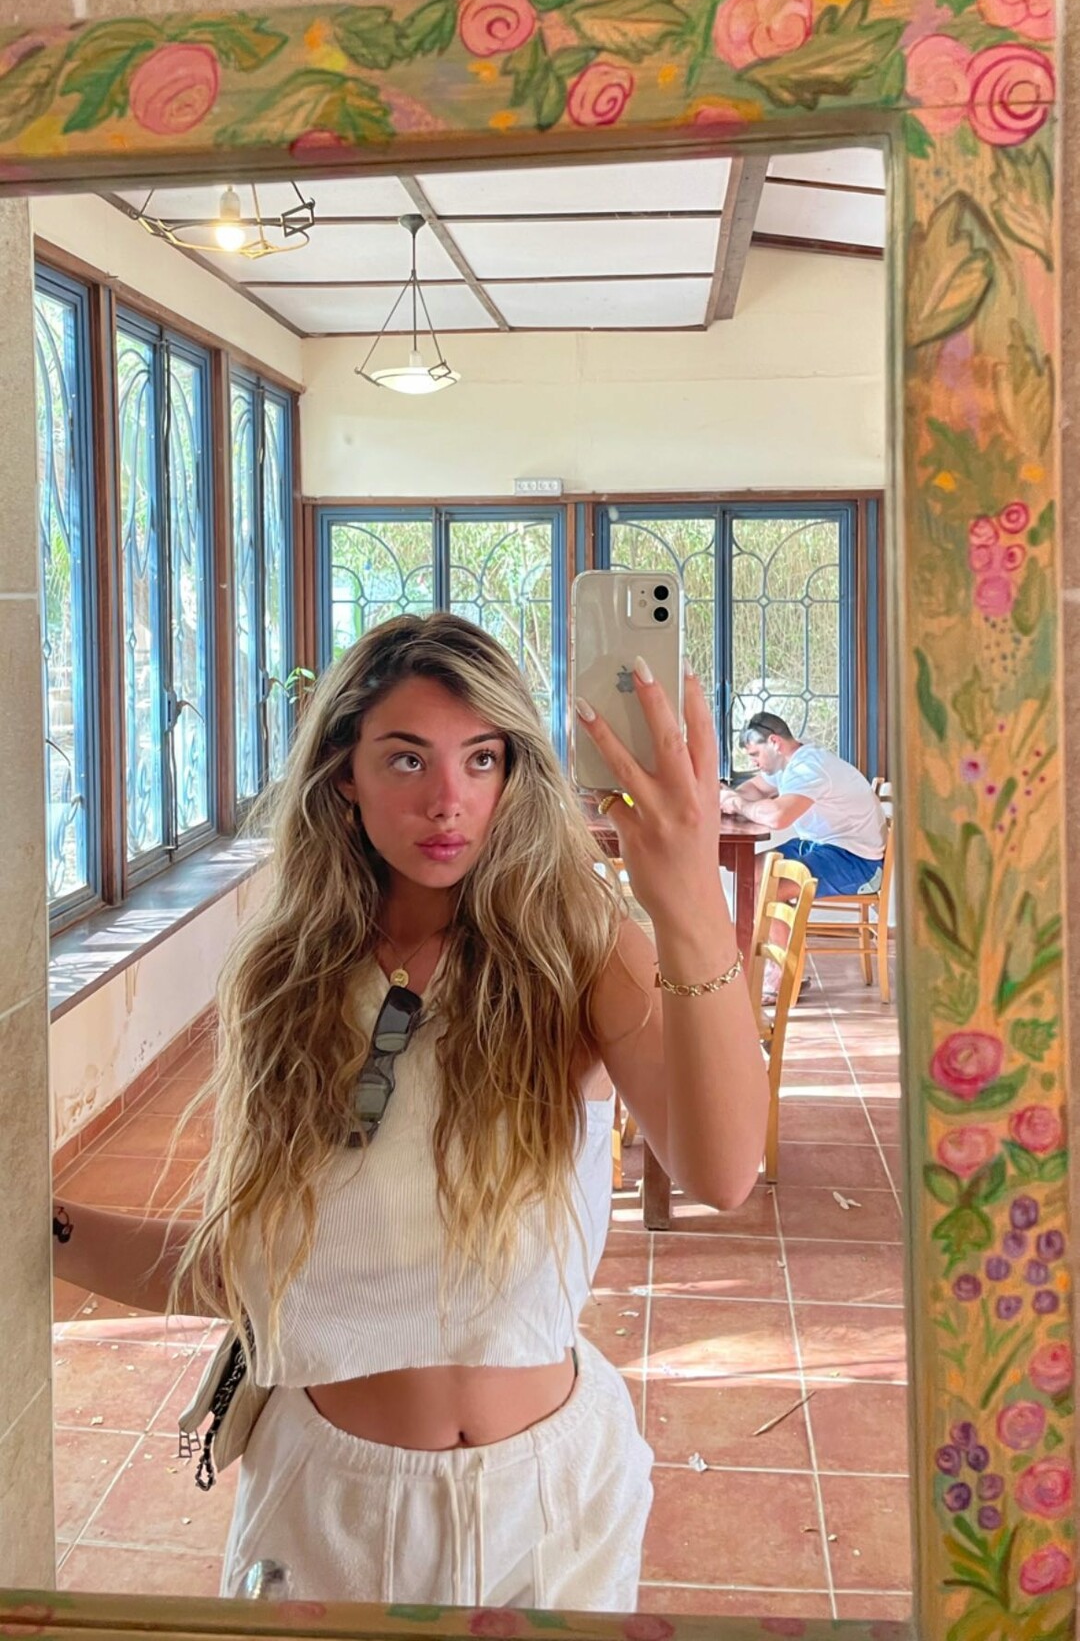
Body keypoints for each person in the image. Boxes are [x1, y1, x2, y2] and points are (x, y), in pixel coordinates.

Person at [53, 613, 768, 1611]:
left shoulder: (577, 953)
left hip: (548, 1505)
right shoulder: (285, 981)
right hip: (327, 1506)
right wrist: (43, 1229)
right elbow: (255, 1269)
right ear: (343, 773)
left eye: (482, 759)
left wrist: (688, 898)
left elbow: (723, 1172)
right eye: (406, 758)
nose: (448, 799)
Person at [720, 711, 886, 996]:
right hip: (821, 845)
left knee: (764, 888)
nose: (754, 762)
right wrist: (727, 795)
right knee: (748, 872)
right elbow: (756, 787)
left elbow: (778, 817)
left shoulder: (810, 767)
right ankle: (759, 962)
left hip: (856, 861)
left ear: (774, 742)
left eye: (755, 754)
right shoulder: (789, 761)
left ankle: (785, 979)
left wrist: (737, 804)